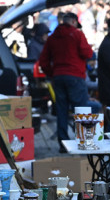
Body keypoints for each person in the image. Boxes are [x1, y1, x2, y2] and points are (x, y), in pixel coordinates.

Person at [38, 11, 93, 143]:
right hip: (75, 76)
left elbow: (43, 61)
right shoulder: (77, 34)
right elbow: (88, 53)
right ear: (74, 22)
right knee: (81, 110)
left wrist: (52, 73)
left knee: (61, 110)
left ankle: (63, 142)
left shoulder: (52, 38)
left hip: (58, 76)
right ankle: (83, 141)